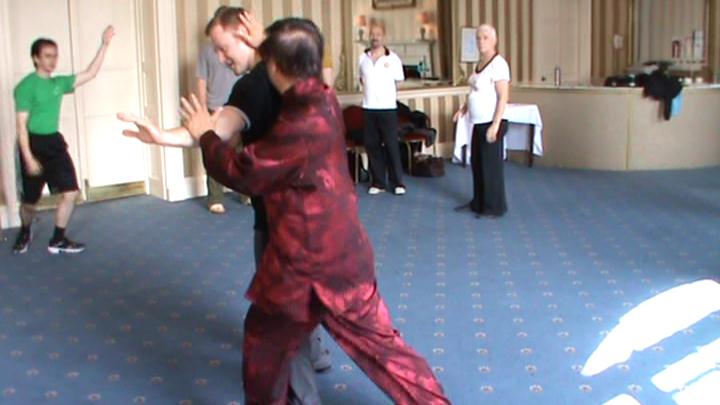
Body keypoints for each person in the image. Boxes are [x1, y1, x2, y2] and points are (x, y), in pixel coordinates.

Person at [177, 17, 450, 404]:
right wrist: (267, 48)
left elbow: (242, 172)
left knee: (264, 347)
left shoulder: (297, 125)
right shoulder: (323, 99)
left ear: (275, 66)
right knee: (386, 351)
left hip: (303, 266)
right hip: (347, 255)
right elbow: (299, 72)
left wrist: (205, 132)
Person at [118, 8, 328, 404]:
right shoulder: (277, 79)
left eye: (222, 47)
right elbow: (217, 126)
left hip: (290, 220)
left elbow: (217, 131)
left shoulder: (269, 81)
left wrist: (172, 135)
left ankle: (304, 382)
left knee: (284, 315)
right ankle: (313, 356)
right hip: (315, 214)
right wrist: (163, 136)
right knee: (305, 304)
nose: (218, 58)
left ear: (246, 35)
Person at [12, 26, 115, 254]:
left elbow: (89, 73)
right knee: (30, 202)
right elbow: (21, 126)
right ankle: (25, 229)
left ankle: (58, 238)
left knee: (70, 192)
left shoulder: (58, 84)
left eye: (55, 55)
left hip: (54, 144)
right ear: (36, 58)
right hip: (32, 144)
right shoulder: (25, 87)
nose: (52, 60)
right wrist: (28, 157)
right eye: (47, 56)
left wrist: (104, 44)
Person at [453, 24, 509, 218]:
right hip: (477, 122)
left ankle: (494, 207)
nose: (481, 41)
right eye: (478, 38)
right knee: (477, 164)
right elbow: (474, 91)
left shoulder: (498, 64)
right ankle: (478, 202)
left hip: (490, 123)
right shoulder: (478, 64)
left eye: (485, 37)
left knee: (491, 167)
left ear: (494, 40)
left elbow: (503, 97)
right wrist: (464, 109)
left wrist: (495, 125)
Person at [197, 7, 248, 213]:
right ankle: (215, 197)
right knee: (213, 152)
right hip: (214, 107)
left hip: (239, 108)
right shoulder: (206, 52)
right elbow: (201, 80)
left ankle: (246, 194)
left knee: (243, 153)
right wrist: (202, 109)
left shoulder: (243, 53)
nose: (222, 56)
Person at [357, 22, 406, 196]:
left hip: (387, 109)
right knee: (372, 146)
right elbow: (362, 79)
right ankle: (378, 182)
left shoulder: (392, 59)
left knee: (392, 145)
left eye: (378, 34)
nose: (375, 37)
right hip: (369, 108)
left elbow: (398, 81)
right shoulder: (362, 58)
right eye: (372, 34)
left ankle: (398, 182)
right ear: (369, 36)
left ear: (383, 37)